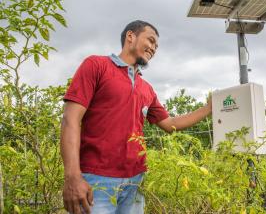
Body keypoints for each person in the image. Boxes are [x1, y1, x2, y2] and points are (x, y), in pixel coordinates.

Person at [60, 20, 212, 214]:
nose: (154, 48)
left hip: (135, 182)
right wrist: (72, 176)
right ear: (130, 36)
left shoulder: (146, 89)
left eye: (156, 46)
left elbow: (171, 124)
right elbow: (70, 119)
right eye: (150, 40)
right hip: (97, 181)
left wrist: (208, 108)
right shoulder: (96, 65)